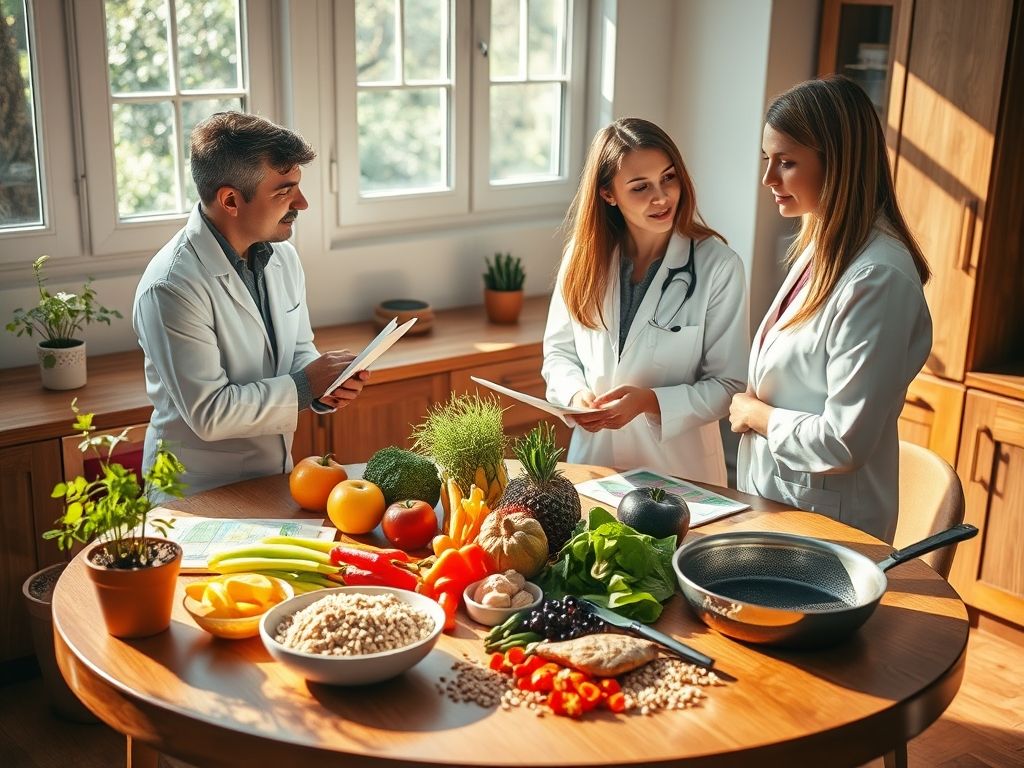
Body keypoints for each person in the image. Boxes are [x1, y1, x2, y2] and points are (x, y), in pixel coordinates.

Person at [730, 75, 932, 543]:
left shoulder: (878, 278)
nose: (768, 179)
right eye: (768, 160)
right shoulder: (822, 248)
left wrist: (756, 415)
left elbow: (843, 440)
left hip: (830, 531)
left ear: (838, 165)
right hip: (781, 508)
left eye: (787, 162)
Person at [134, 112, 367, 498]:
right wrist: (306, 385)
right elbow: (210, 413)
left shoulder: (283, 258)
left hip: (273, 479)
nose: (303, 203)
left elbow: (296, 351)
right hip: (196, 495)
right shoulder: (171, 287)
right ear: (230, 200)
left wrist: (324, 389)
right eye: (284, 190)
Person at [543, 118, 749, 486]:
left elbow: (729, 385)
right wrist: (575, 394)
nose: (661, 197)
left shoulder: (718, 266)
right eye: (640, 187)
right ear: (609, 194)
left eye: (668, 178)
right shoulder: (582, 258)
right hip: (594, 464)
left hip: (679, 474)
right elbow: (559, 353)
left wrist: (649, 402)